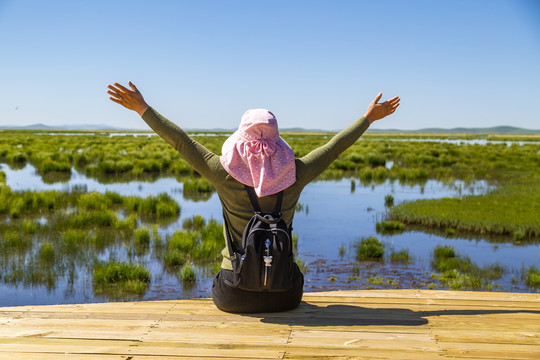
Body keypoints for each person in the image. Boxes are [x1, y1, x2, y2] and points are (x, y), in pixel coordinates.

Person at [107, 82, 400, 313]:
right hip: (285, 295)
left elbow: (182, 143)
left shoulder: (222, 173)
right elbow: (335, 147)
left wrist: (143, 108)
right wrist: (368, 118)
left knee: (221, 276)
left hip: (233, 294)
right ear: (277, 142)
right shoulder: (296, 173)